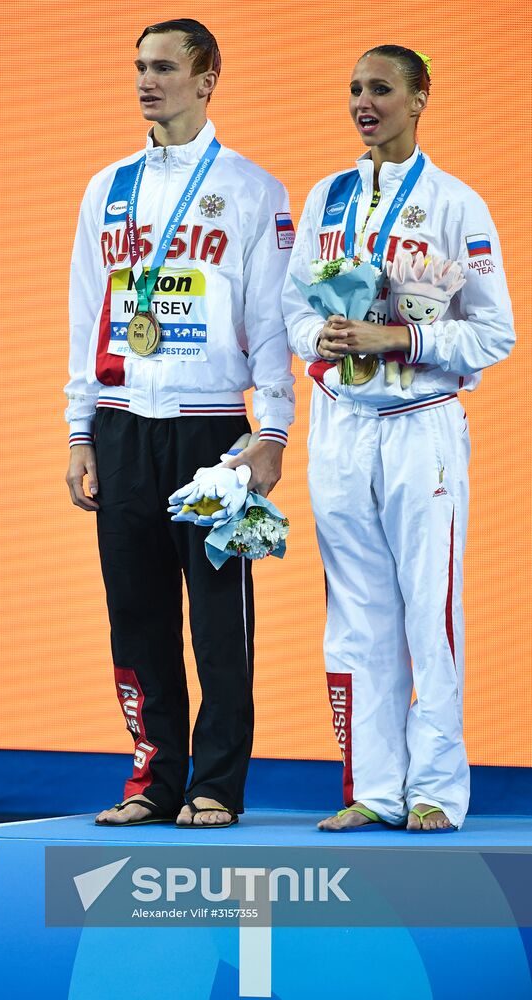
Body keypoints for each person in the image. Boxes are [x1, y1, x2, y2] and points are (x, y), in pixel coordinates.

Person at [65, 19, 294, 828]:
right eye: (138, 67)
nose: (144, 81)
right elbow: (88, 314)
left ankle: (216, 783)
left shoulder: (252, 188)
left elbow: (269, 321)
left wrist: (272, 432)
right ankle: (155, 777)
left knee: (217, 618)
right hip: (124, 425)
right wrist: (78, 430)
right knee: (135, 613)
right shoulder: (107, 187)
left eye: (163, 67)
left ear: (207, 79)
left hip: (211, 436)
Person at [282, 46, 514, 832]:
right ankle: (372, 788)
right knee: (353, 612)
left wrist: (401, 343)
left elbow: (493, 333)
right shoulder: (327, 197)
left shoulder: (455, 204)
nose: (361, 102)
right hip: (339, 425)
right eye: (352, 89)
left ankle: (434, 790)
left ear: (420, 98)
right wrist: (328, 336)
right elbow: (292, 309)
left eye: (379, 89)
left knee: (428, 608)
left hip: (421, 427)